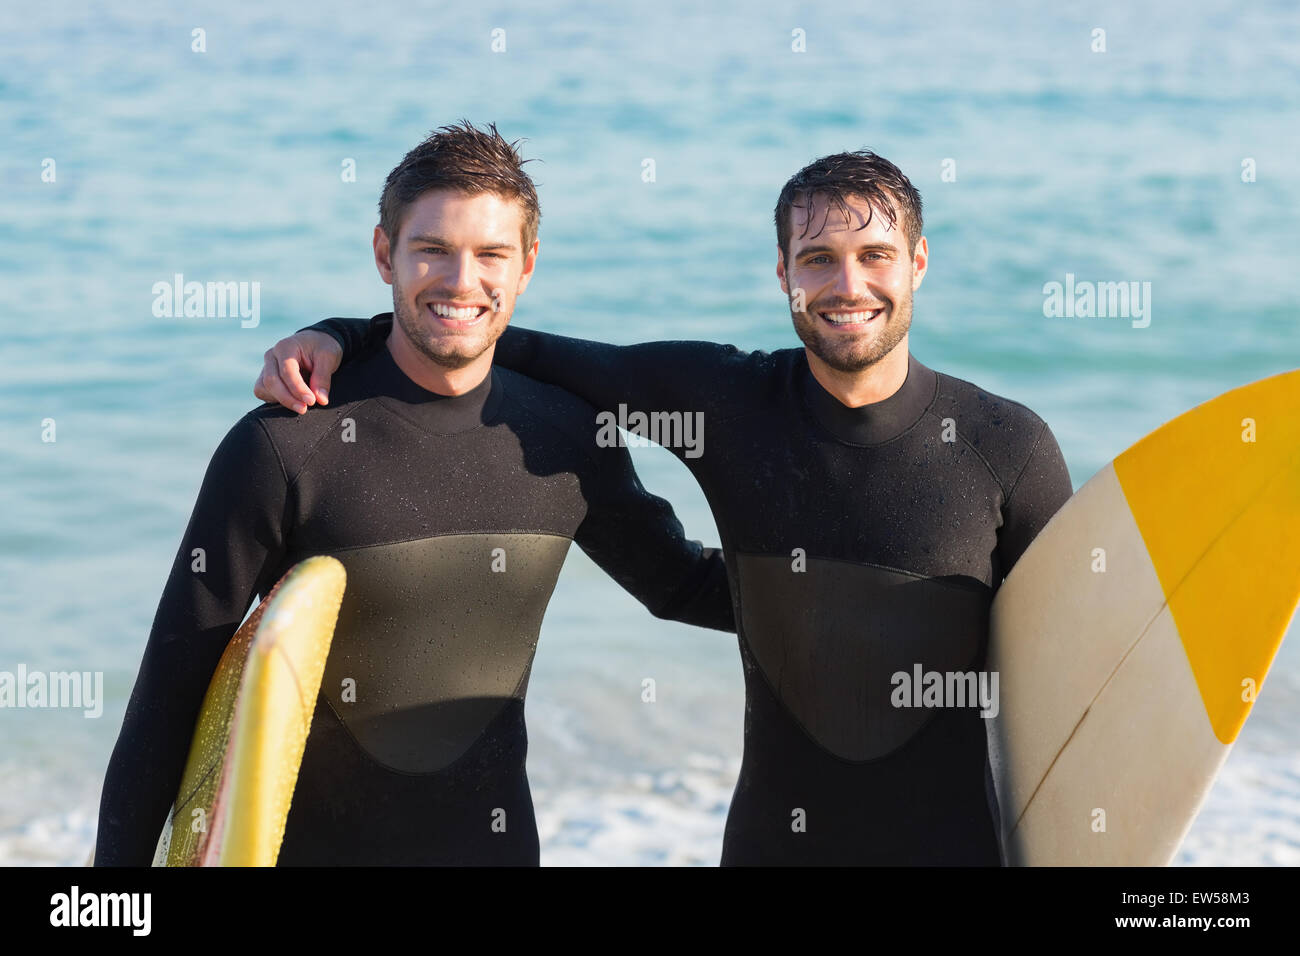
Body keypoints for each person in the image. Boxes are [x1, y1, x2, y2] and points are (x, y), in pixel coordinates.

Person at [256, 149, 1075, 865]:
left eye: (875, 255)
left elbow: (1078, 675)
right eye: (818, 258)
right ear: (783, 273)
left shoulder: (1006, 447)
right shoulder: (726, 401)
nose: (848, 285)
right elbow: (493, 336)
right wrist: (340, 336)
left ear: (919, 262)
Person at [95, 122, 734, 867]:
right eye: (432, 249)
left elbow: (680, 582)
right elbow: (171, 691)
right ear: (383, 255)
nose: (462, 281)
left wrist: (863, 587)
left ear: (527, 266)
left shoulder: (565, 438)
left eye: (491, 254)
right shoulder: (286, 445)